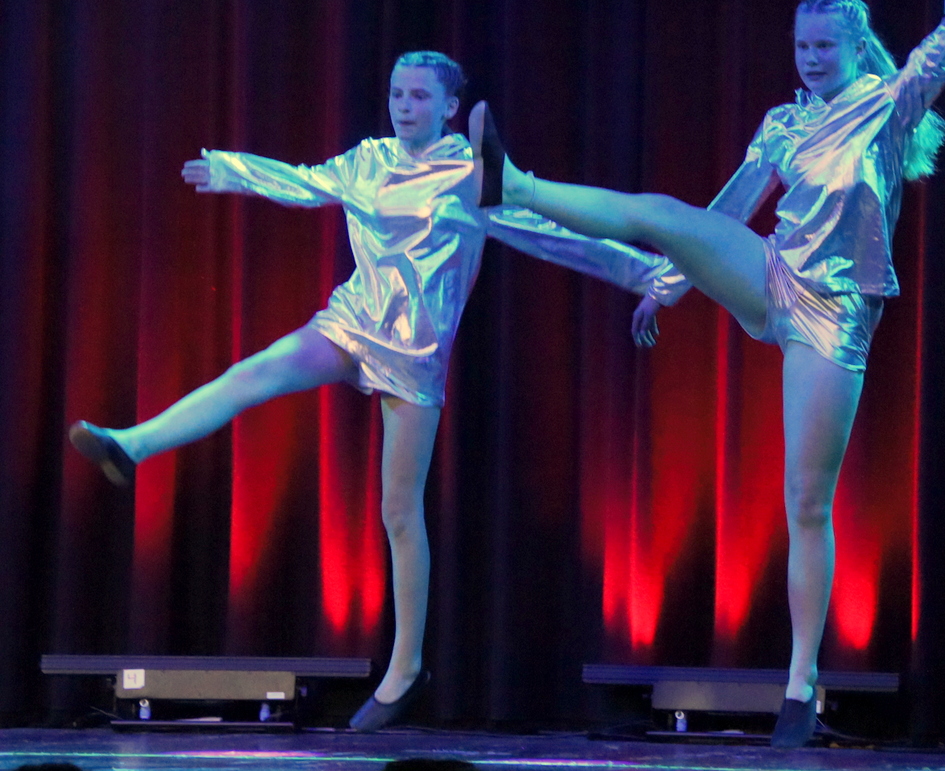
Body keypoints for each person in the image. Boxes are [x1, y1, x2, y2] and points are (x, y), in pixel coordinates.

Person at [474, 0, 945, 747]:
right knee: (663, 212)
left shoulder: (889, 103)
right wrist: (678, 281)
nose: (811, 58)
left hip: (836, 313)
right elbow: (730, 207)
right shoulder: (783, 121)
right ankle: (515, 185)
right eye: (801, 46)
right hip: (770, 274)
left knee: (805, 499)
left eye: (825, 46)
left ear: (855, 47)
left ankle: (801, 686)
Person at [67, 51, 671, 731]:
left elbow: (556, 237)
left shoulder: (471, 176)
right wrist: (234, 170)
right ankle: (131, 444)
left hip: (414, 355)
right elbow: (306, 182)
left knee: (398, 511)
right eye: (396, 94)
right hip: (352, 323)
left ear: (450, 107)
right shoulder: (369, 160)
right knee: (252, 374)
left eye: (419, 96)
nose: (404, 106)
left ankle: (406, 668)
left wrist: (652, 276)